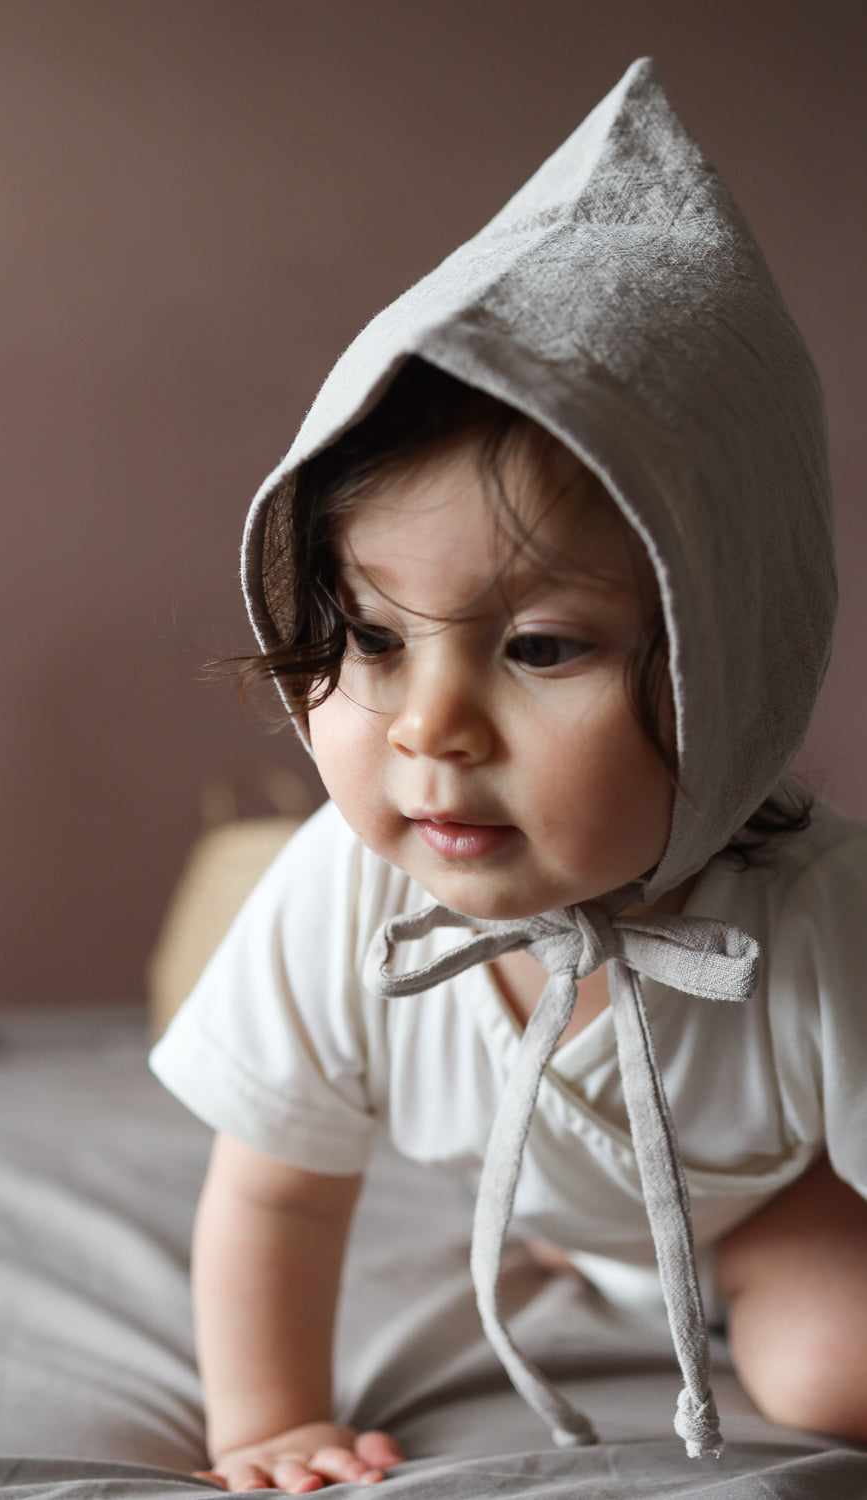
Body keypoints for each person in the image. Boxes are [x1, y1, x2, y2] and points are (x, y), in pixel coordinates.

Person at [150, 59, 867, 1493]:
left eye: (538, 647)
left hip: (763, 1196)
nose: (431, 727)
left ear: (721, 670)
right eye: (369, 638)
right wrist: (269, 1423)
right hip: (537, 1194)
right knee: (301, 1065)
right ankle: (561, 1217)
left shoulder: (813, 919)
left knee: (828, 1370)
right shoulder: (345, 896)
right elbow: (277, 1201)